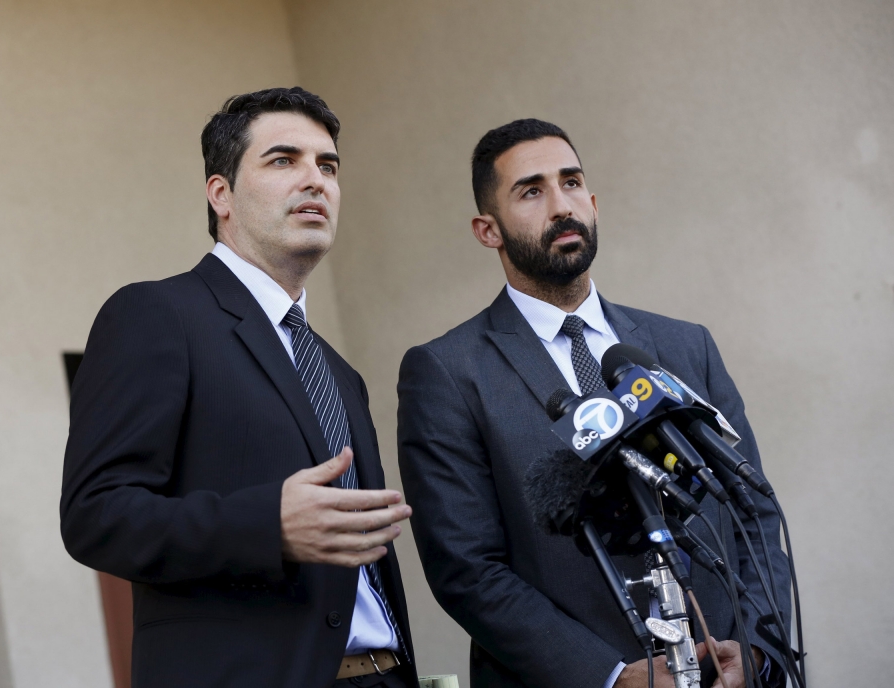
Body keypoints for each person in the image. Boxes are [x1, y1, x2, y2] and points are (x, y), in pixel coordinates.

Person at [396, 119, 789, 688]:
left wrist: (753, 650)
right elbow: (466, 568)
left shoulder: (685, 346)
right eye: (531, 191)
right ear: (488, 230)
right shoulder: (448, 372)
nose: (561, 205)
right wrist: (606, 676)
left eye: (572, 183)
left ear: (595, 202)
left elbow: (753, 511)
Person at [61, 87, 416, 688]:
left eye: (327, 166)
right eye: (284, 161)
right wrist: (265, 526)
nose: (315, 180)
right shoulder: (156, 314)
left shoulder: (337, 371)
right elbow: (96, 515)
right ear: (220, 193)